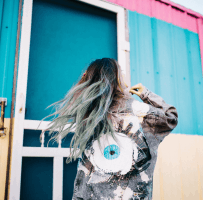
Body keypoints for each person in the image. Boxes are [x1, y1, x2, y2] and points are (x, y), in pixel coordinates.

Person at [44, 58, 178, 199]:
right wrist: (145, 93)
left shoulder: (90, 114)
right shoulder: (140, 112)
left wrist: (87, 79)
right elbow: (171, 118)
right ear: (118, 79)